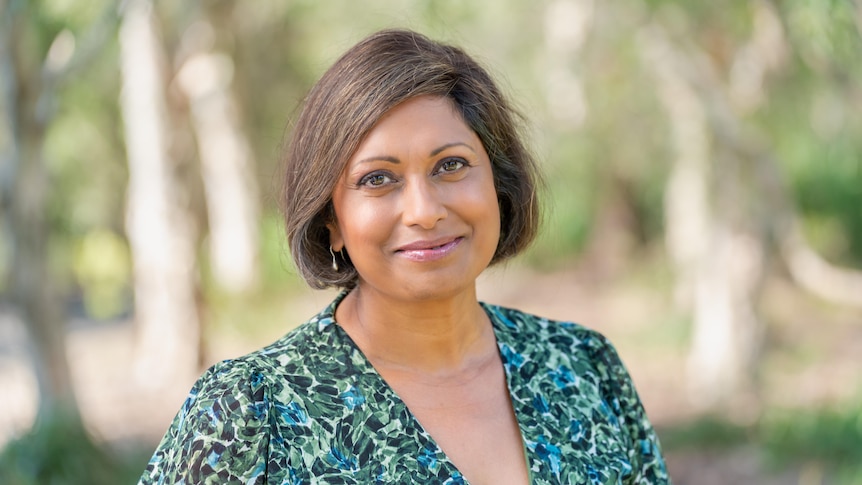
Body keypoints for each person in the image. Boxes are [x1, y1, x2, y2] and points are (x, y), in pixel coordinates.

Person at [139, 29, 669, 484]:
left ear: (499, 187)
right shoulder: (251, 412)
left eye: (451, 165)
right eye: (377, 179)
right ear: (332, 220)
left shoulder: (583, 369)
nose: (423, 210)